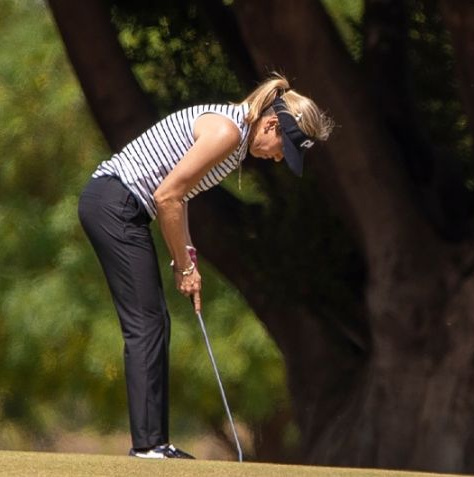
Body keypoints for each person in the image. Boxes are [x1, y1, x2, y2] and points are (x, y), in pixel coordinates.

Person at [77, 74, 334, 459]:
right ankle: (148, 447)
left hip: (121, 207)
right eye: (284, 148)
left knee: (153, 322)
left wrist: (188, 254)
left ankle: (154, 443)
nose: (279, 158)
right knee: (146, 323)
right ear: (270, 124)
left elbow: (172, 199)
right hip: (115, 204)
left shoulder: (232, 134)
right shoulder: (226, 133)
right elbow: (167, 196)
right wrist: (184, 268)